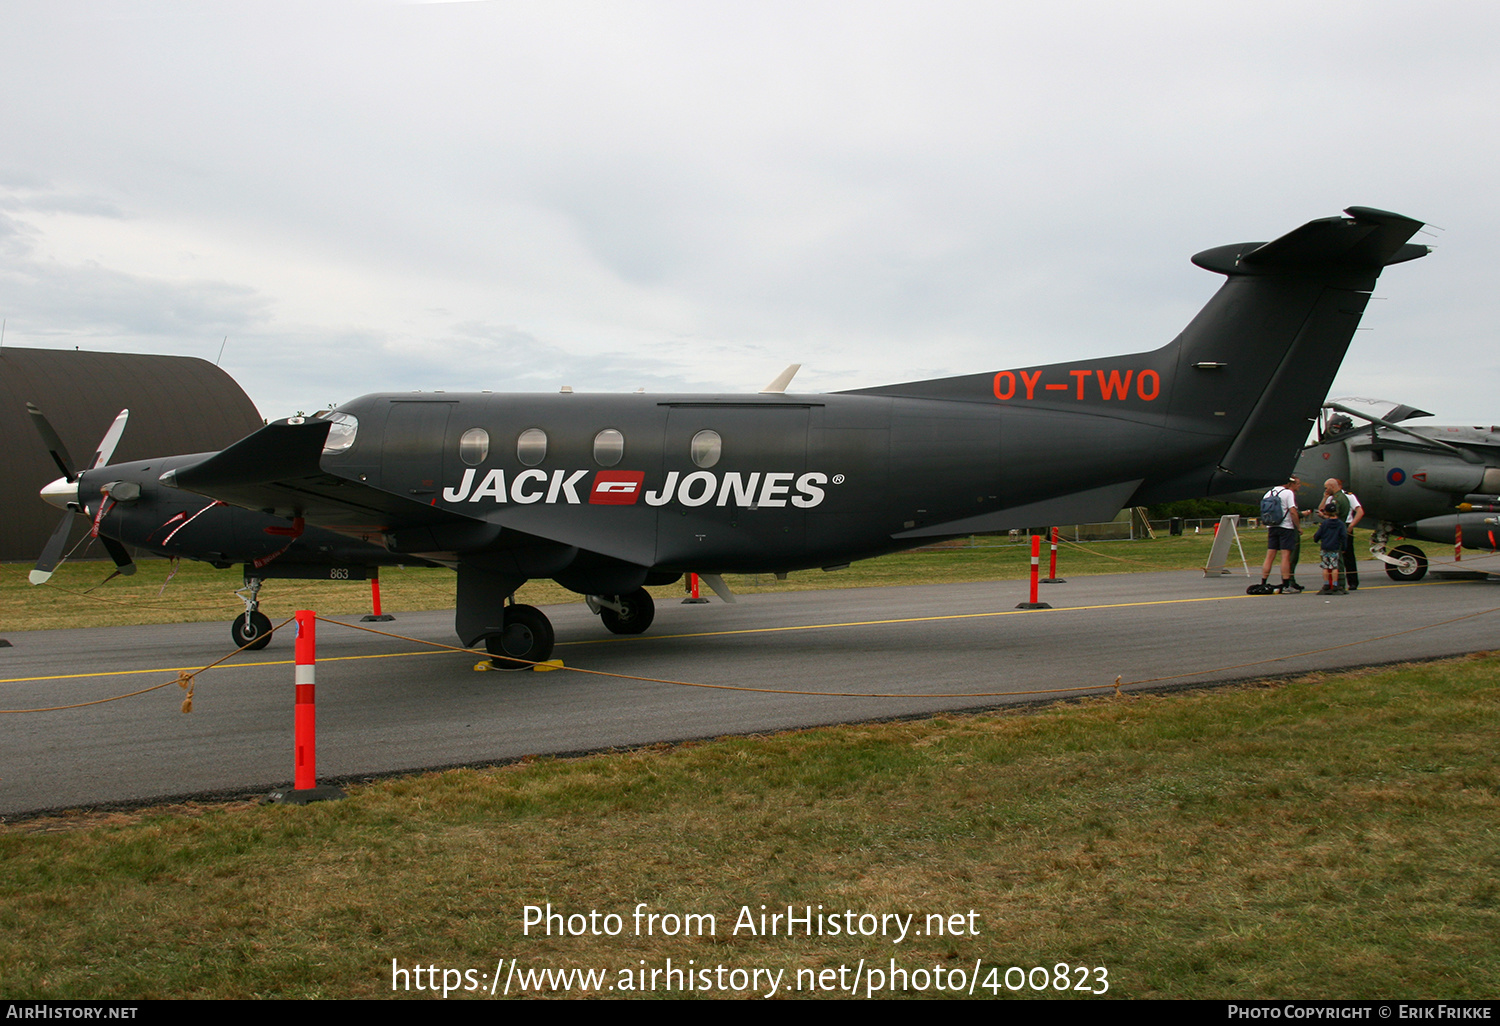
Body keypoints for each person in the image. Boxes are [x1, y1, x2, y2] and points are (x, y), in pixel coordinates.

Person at [1252, 475, 1302, 594]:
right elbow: (1293, 512)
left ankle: (1263, 582)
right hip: (1285, 527)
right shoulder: (1288, 493)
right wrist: (1298, 527)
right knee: (1285, 556)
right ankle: (1286, 585)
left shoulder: (1268, 493)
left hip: (1272, 526)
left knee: (1270, 556)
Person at [1314, 494, 1349, 594]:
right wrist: (1344, 547)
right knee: (1334, 567)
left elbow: (1318, 534)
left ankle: (1326, 584)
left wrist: (1316, 539)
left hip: (1325, 547)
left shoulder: (1324, 523)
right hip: (1335, 547)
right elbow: (1343, 536)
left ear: (1327, 512)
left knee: (1325, 567)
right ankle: (1335, 584)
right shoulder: (1340, 524)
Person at [1339, 482, 1364, 590]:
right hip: (1335, 525)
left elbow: (1360, 511)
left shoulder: (1349, 496)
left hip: (1346, 524)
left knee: (1348, 555)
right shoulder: (1330, 498)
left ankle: (1352, 581)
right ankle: (1337, 581)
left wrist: (1352, 525)